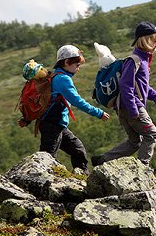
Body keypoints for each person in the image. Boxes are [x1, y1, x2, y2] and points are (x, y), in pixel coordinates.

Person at [20, 45, 110, 174]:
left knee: (78, 150)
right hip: (52, 125)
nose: (78, 69)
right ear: (67, 62)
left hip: (56, 125)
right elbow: (77, 101)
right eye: (77, 65)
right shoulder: (63, 79)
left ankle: (82, 178)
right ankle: (38, 180)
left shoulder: (55, 75)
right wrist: (98, 113)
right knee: (48, 157)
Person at [92, 22, 156, 167]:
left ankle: (102, 160)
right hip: (131, 106)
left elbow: (142, 85)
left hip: (125, 107)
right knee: (151, 134)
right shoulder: (134, 61)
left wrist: (155, 97)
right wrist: (133, 109)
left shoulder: (142, 60)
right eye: (154, 40)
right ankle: (143, 168)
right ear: (144, 40)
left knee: (134, 142)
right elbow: (126, 86)